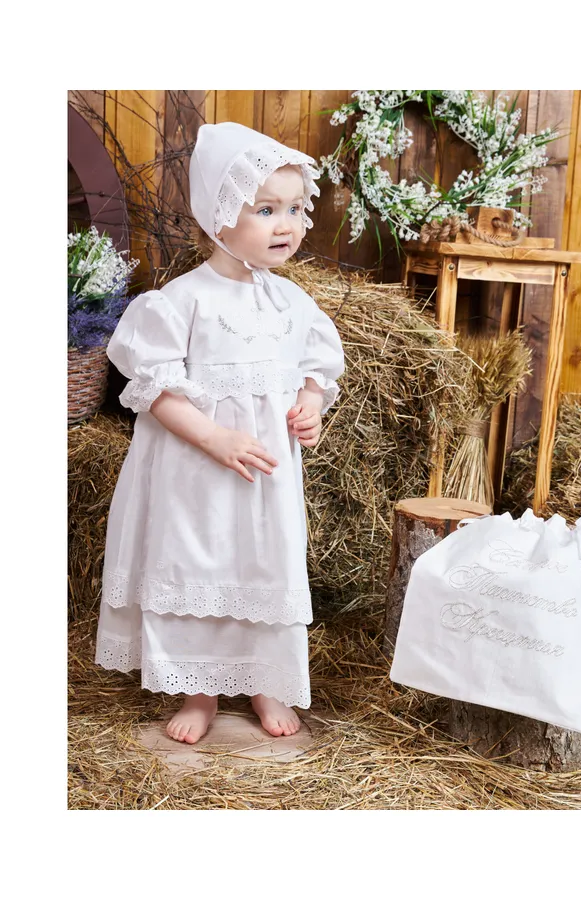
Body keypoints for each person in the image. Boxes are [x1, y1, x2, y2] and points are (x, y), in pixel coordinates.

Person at [94, 122, 344, 745]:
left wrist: (309, 406)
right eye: (266, 210)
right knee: (197, 563)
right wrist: (214, 438)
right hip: (198, 474)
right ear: (219, 217)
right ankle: (198, 689)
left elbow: (317, 370)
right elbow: (155, 390)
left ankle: (264, 679)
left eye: (295, 209)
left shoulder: (293, 304)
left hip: (264, 480)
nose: (287, 225)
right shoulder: (183, 300)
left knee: (265, 565)